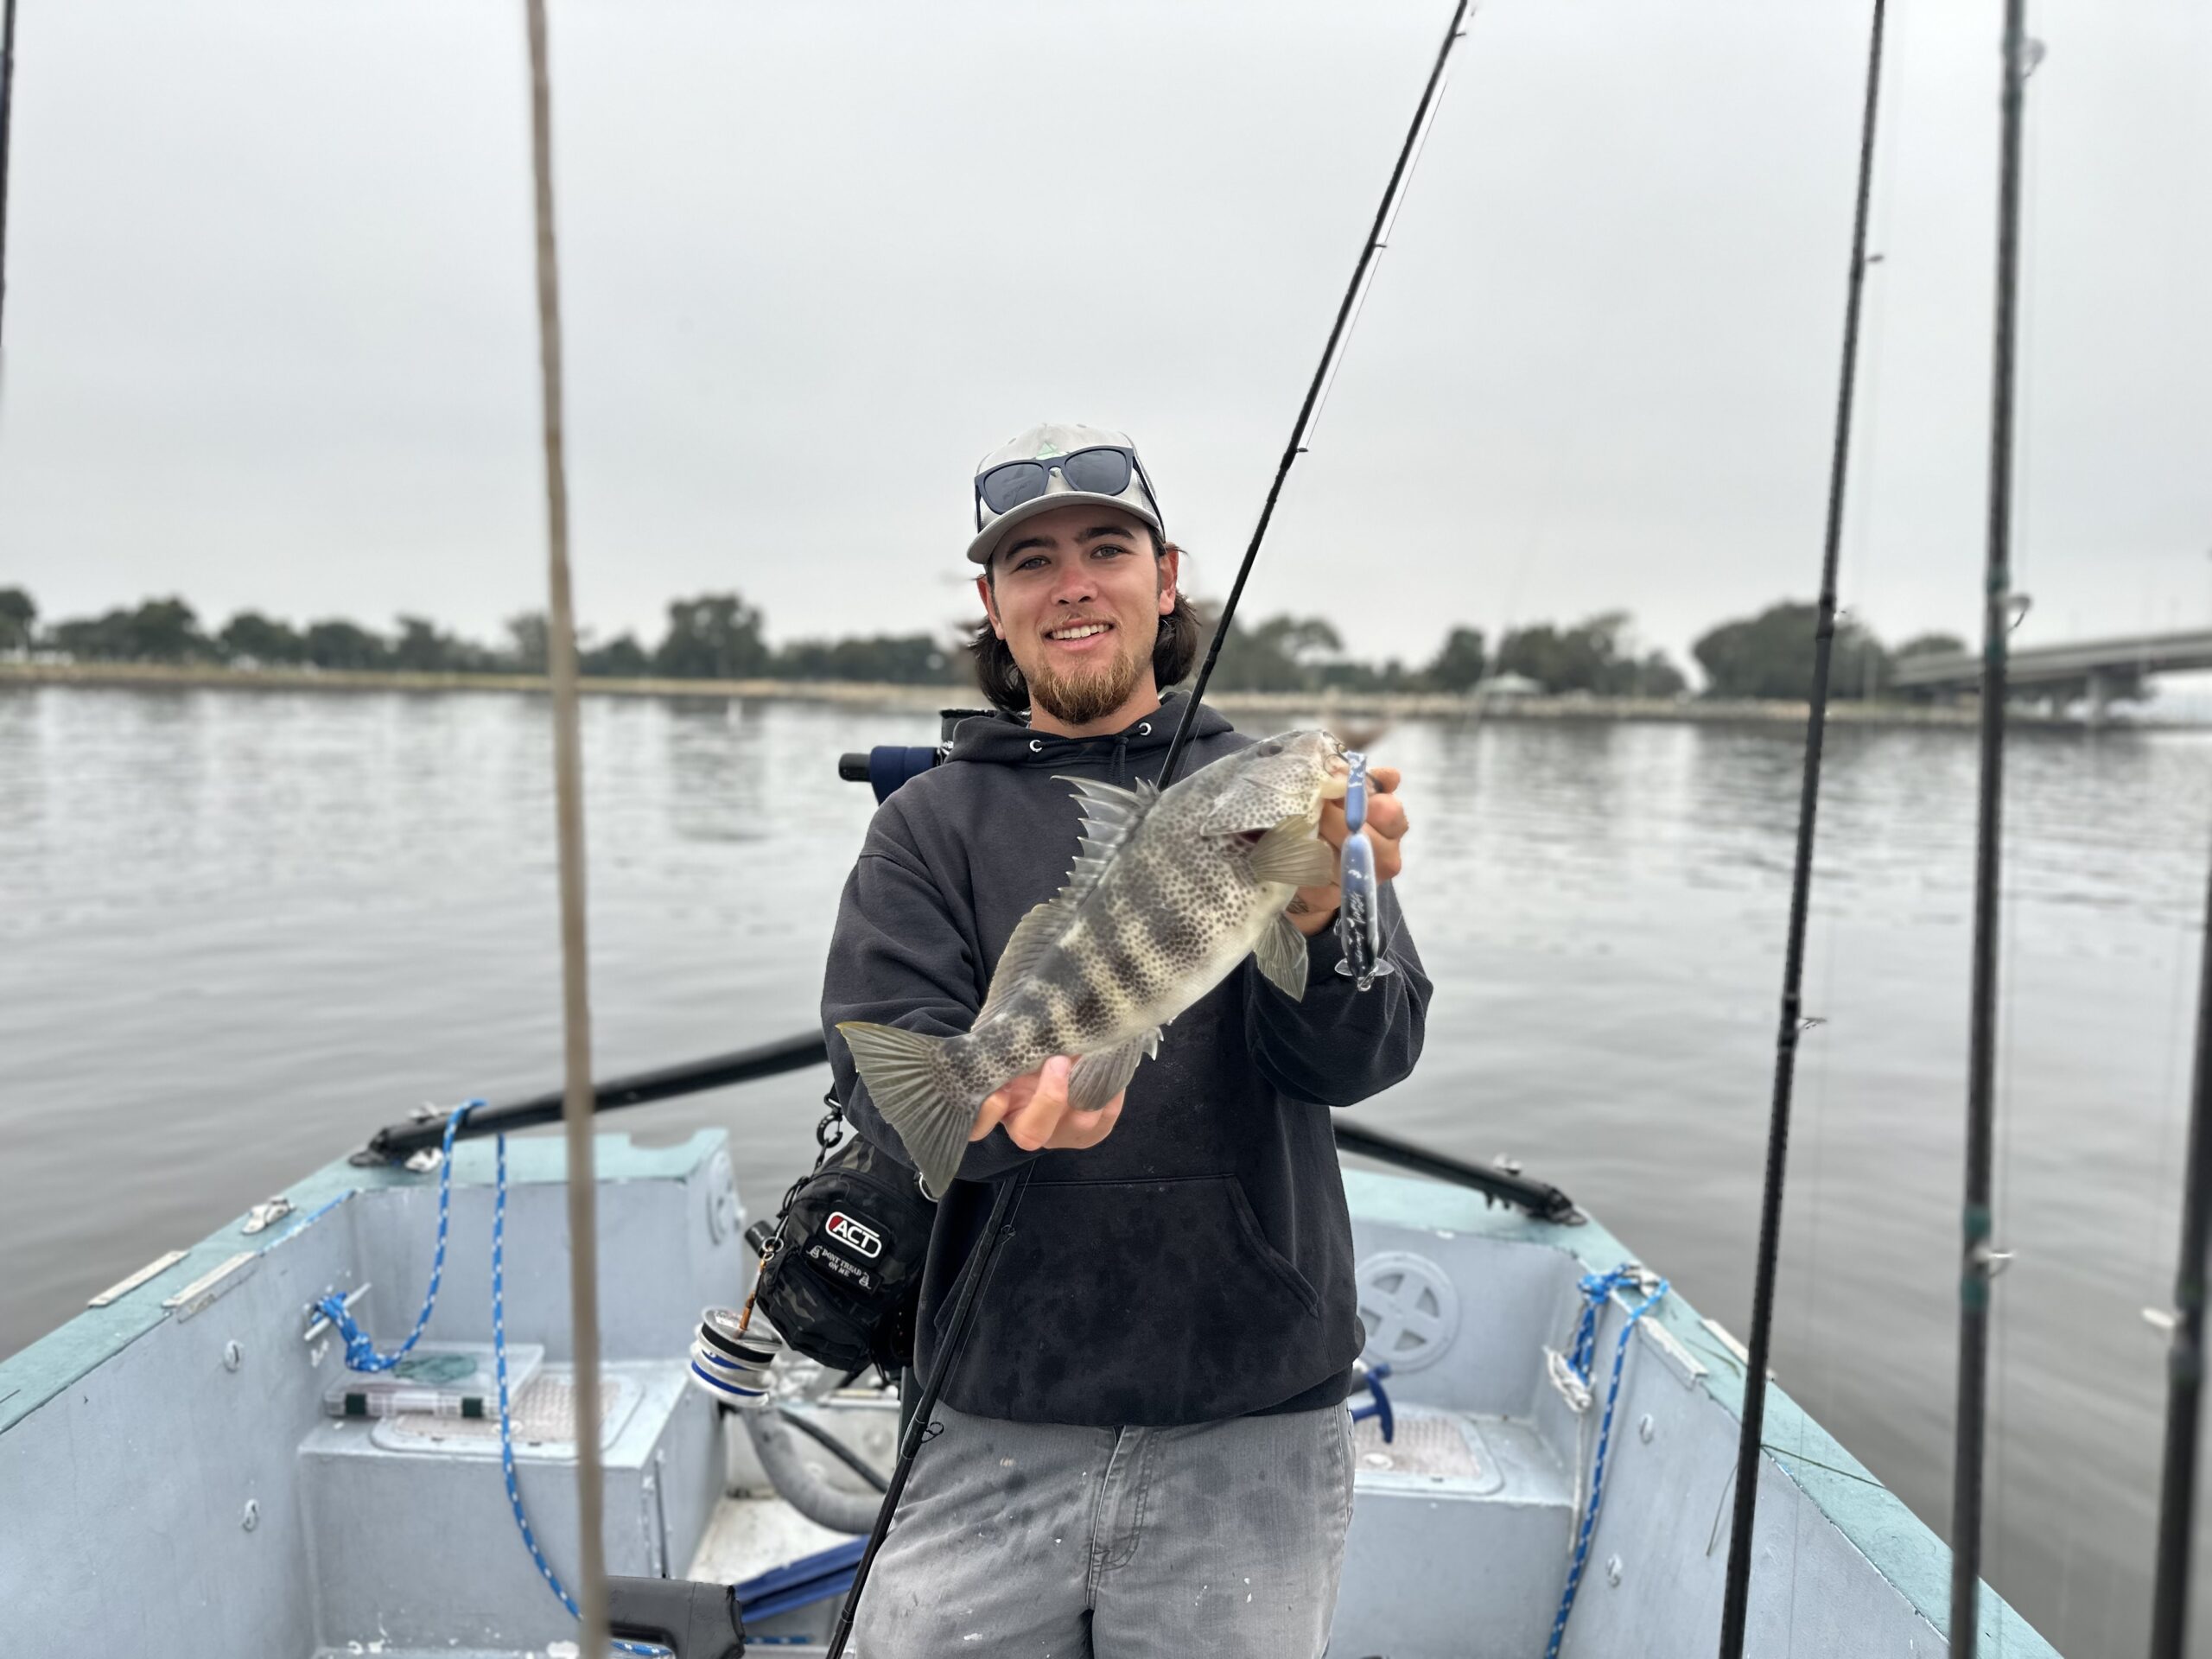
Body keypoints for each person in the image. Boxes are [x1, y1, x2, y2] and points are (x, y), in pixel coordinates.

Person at [821, 422, 1428, 1657]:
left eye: (1107, 548)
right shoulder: (924, 827)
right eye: (1032, 562)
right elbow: (893, 1083)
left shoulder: (1273, 798)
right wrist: (992, 1127)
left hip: (1255, 1407)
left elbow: (1363, 1056)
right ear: (993, 607)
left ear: (1166, 580)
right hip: (992, 1405)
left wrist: (1326, 913)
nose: (1075, 584)